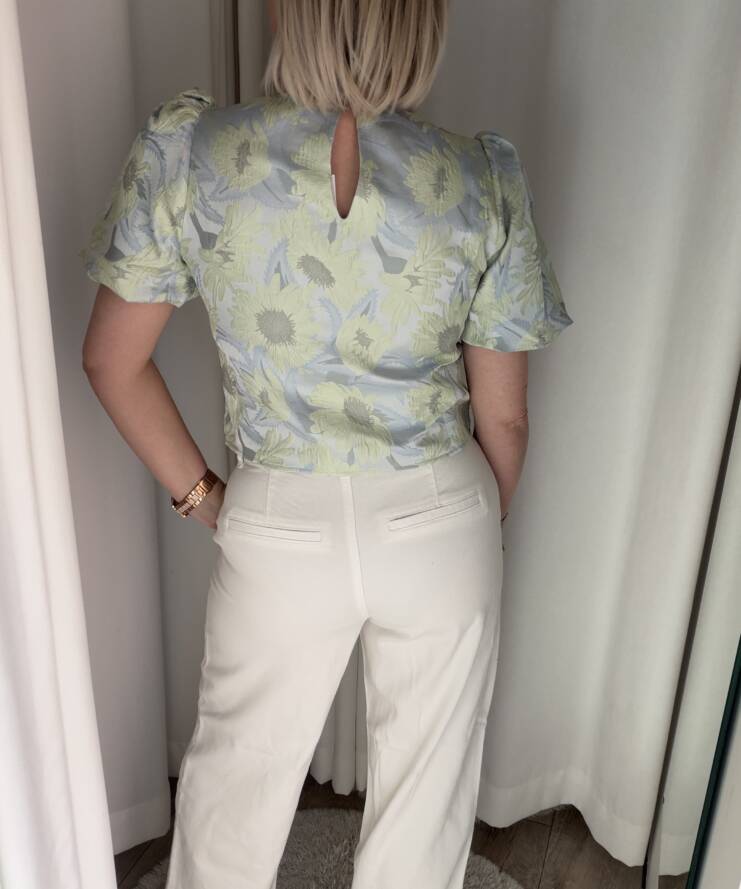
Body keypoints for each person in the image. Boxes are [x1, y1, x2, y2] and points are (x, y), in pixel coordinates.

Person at [79, 1, 573, 886]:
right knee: (423, 812)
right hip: (441, 511)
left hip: (280, 517)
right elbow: (505, 420)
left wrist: (207, 497)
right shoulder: (478, 174)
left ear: (286, 13)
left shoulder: (194, 152)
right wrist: (469, 528)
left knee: (230, 802)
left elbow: (112, 361)